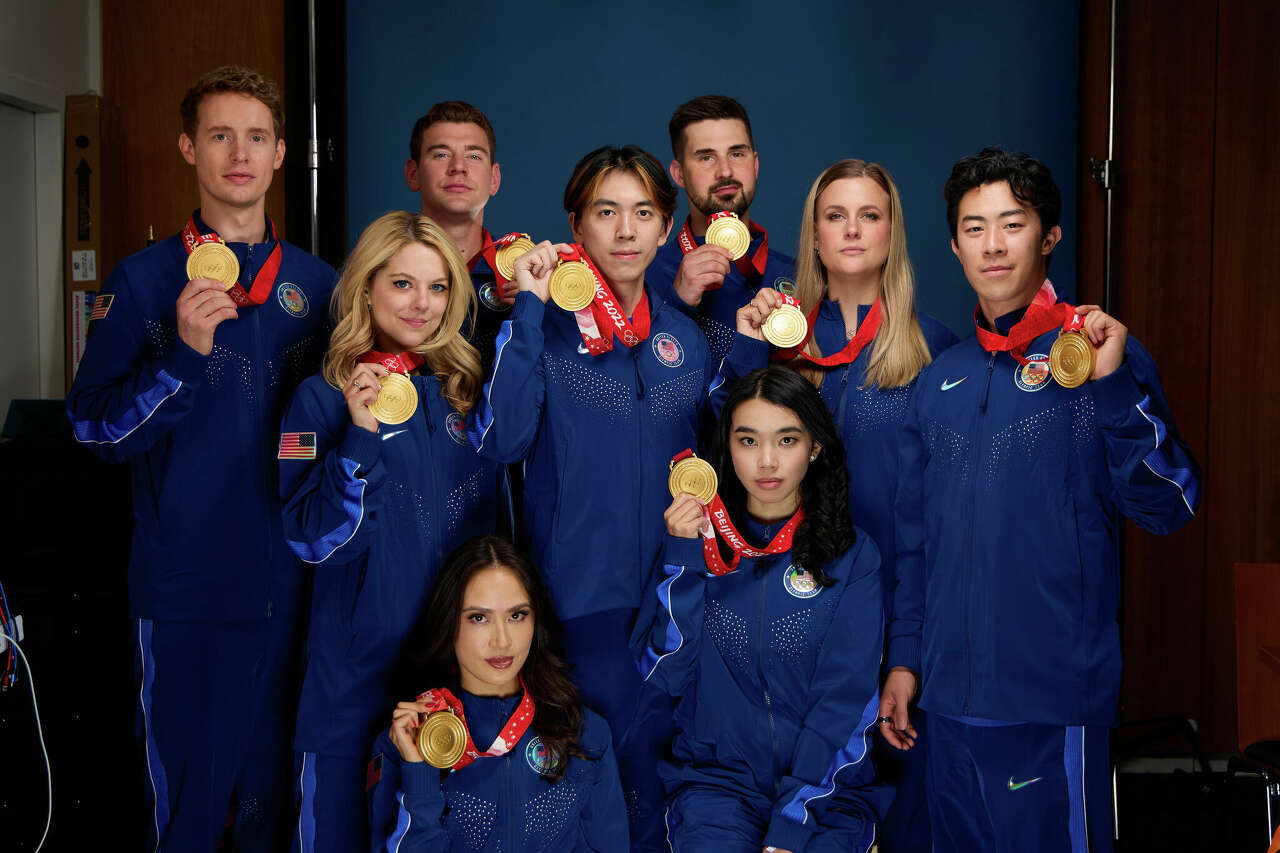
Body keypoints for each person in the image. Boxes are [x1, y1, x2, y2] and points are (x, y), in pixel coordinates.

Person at [879, 147, 1201, 853]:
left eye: (1012, 223)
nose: (992, 244)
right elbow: (915, 542)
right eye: (974, 227)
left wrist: (1113, 386)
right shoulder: (942, 381)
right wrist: (905, 661)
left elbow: (1169, 503)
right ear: (954, 243)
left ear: (1048, 236)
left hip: (1052, 699)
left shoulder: (1098, 353)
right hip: (949, 704)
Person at [65, 66, 337, 850]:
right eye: (220, 135)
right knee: (187, 811)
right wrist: (181, 358)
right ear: (190, 147)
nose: (239, 153)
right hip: (187, 592)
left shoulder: (318, 288)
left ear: (282, 152)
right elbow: (92, 429)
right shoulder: (144, 282)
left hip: (293, 592)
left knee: (274, 812)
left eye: (256, 137)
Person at [467, 145, 715, 850]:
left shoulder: (684, 342)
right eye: (607, 212)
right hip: (576, 606)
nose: (627, 230)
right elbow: (503, 438)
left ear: (667, 228)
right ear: (577, 224)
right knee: (582, 810)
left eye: (644, 212)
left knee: (660, 803)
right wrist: (528, 309)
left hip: (671, 601)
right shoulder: (540, 331)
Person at [714, 159, 958, 851]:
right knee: (790, 792)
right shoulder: (777, 336)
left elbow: (929, 526)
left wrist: (905, 653)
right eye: (834, 215)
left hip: (894, 615)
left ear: (893, 232)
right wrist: (744, 349)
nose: (852, 230)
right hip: (791, 616)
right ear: (813, 234)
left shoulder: (937, 352)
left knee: (889, 804)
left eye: (870, 215)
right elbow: (727, 452)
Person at [278, 211, 509, 851]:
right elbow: (315, 542)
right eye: (403, 284)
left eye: (438, 288)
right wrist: (359, 437)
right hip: (354, 677)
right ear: (367, 287)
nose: (422, 305)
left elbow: (498, 539)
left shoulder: (467, 392)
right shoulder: (320, 399)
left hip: (451, 672)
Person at [637, 365, 889, 852]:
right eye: (748, 441)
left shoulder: (853, 557)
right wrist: (684, 564)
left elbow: (845, 701)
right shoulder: (695, 545)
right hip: (717, 789)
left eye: (787, 440)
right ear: (727, 451)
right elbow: (664, 674)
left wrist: (794, 820)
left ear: (815, 448)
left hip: (826, 794)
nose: (767, 462)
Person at [368, 536, 628, 851]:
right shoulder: (404, 743)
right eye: (479, 618)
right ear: (449, 623)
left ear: (536, 620)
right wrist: (419, 774)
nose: (502, 640)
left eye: (517, 615)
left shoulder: (586, 733)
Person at [648, 95, 796, 363]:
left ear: (755, 164)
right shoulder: (646, 275)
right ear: (679, 174)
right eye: (706, 157)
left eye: (737, 154)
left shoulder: (798, 275)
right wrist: (676, 303)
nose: (725, 171)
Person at [405, 101, 509, 363]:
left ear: (494, 179)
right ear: (413, 174)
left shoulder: (521, 275)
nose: (458, 167)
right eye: (441, 154)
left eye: (474, 156)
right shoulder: (377, 272)